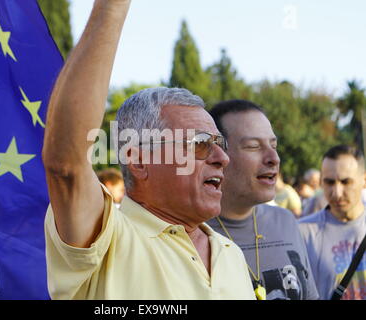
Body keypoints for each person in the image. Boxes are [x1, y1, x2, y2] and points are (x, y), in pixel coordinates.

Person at [41, 0, 255, 300]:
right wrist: (112, 7)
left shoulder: (230, 254)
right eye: (201, 144)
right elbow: (66, 165)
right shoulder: (108, 238)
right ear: (139, 160)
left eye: (220, 144)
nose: (223, 158)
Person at [207, 99, 319, 300]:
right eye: (253, 146)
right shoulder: (190, 235)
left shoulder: (286, 222)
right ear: (217, 156)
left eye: (273, 145)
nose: (273, 158)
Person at [299, 145, 366, 300]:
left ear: (364, 180)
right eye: (329, 182)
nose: (337, 192)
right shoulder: (303, 232)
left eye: (346, 182)